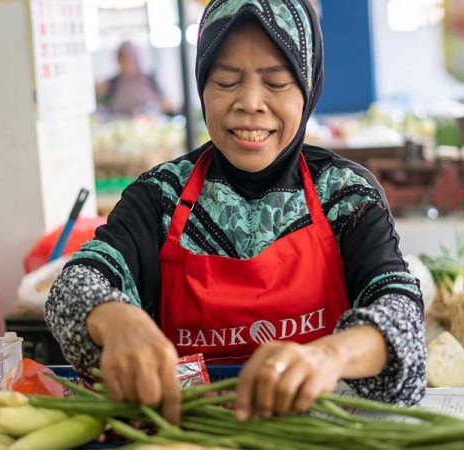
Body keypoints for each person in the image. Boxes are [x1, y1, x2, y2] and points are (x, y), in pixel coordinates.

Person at [46, 0, 426, 425]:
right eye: (226, 81)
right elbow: (75, 284)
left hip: (322, 431)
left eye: (277, 83)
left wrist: (330, 355)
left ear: (308, 86)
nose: (250, 103)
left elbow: (399, 312)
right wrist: (117, 320)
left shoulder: (345, 196)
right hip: (189, 435)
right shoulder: (160, 198)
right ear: (202, 86)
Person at [95, 41, 174, 117]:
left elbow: (166, 104)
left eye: (129, 58)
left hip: (149, 123)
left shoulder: (150, 79)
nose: (126, 62)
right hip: (122, 125)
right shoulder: (113, 83)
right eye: (122, 59)